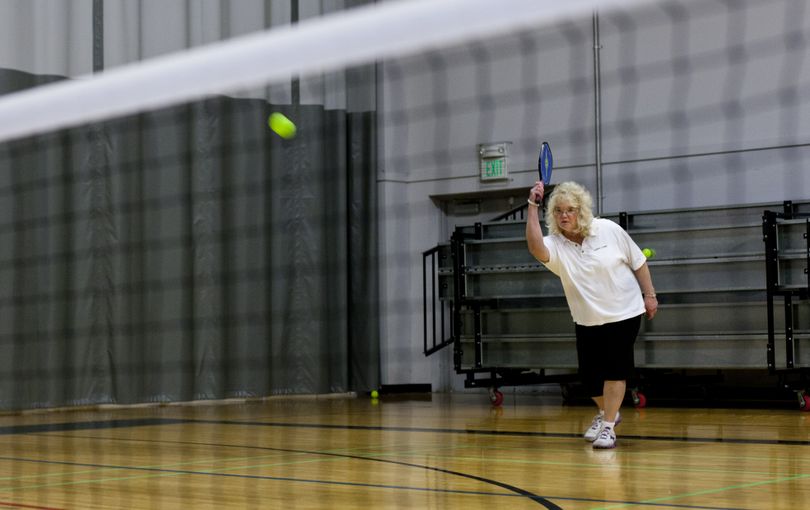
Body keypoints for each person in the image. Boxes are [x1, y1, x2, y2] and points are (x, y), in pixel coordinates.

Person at [525, 180, 657, 449]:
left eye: (570, 209)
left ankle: (608, 427)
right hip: (587, 318)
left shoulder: (608, 230)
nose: (564, 215)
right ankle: (609, 412)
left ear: (582, 211)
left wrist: (650, 295)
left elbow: (639, 262)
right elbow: (535, 247)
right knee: (589, 377)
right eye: (559, 210)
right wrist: (531, 205)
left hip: (624, 312)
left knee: (615, 370)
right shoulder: (556, 245)